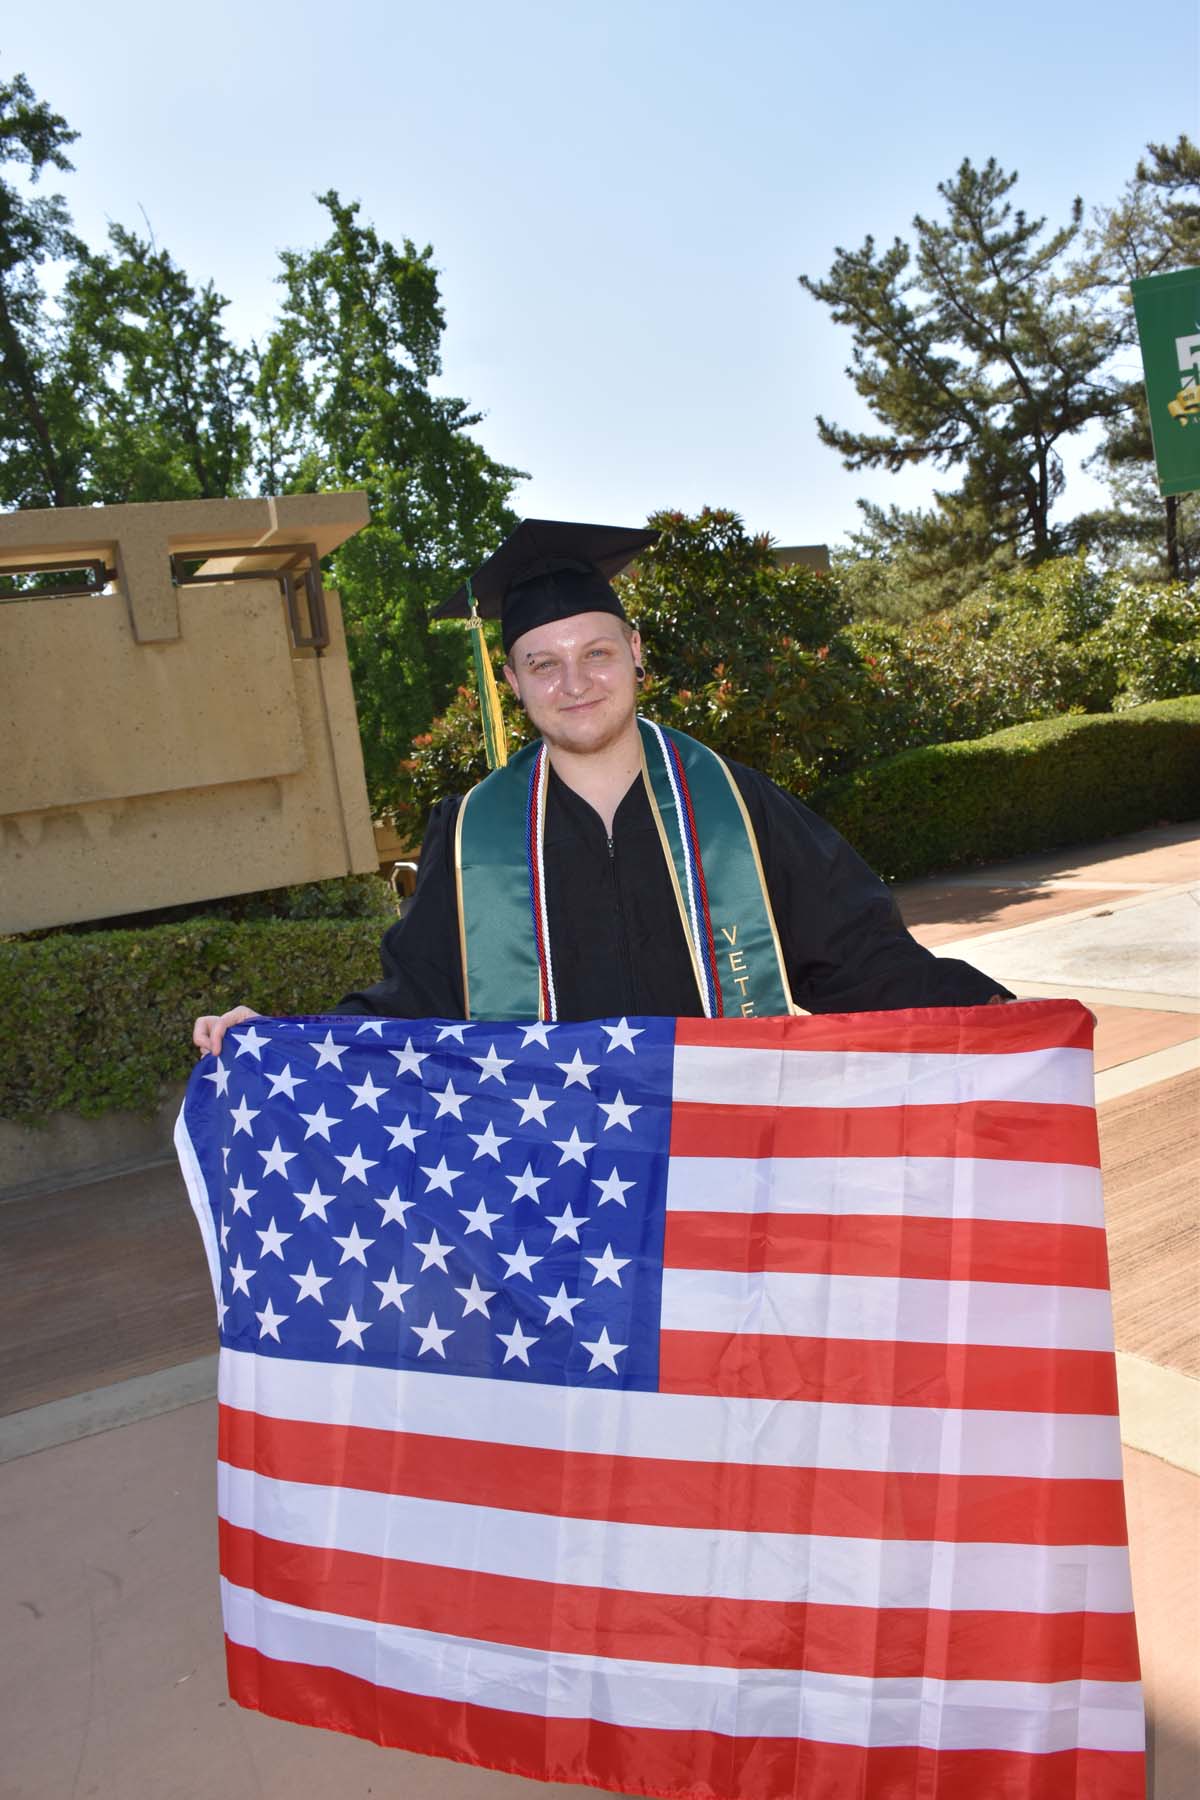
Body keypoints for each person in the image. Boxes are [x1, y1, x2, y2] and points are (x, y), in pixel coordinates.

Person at [194, 518, 1009, 1055]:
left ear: (636, 652)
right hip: (559, 1184)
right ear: (512, 681)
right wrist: (281, 1042)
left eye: (596, 653)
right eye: (543, 663)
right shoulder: (474, 835)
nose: (574, 682)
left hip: (727, 1156)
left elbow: (862, 961)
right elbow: (413, 1003)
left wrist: (1014, 1024)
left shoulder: (734, 804)